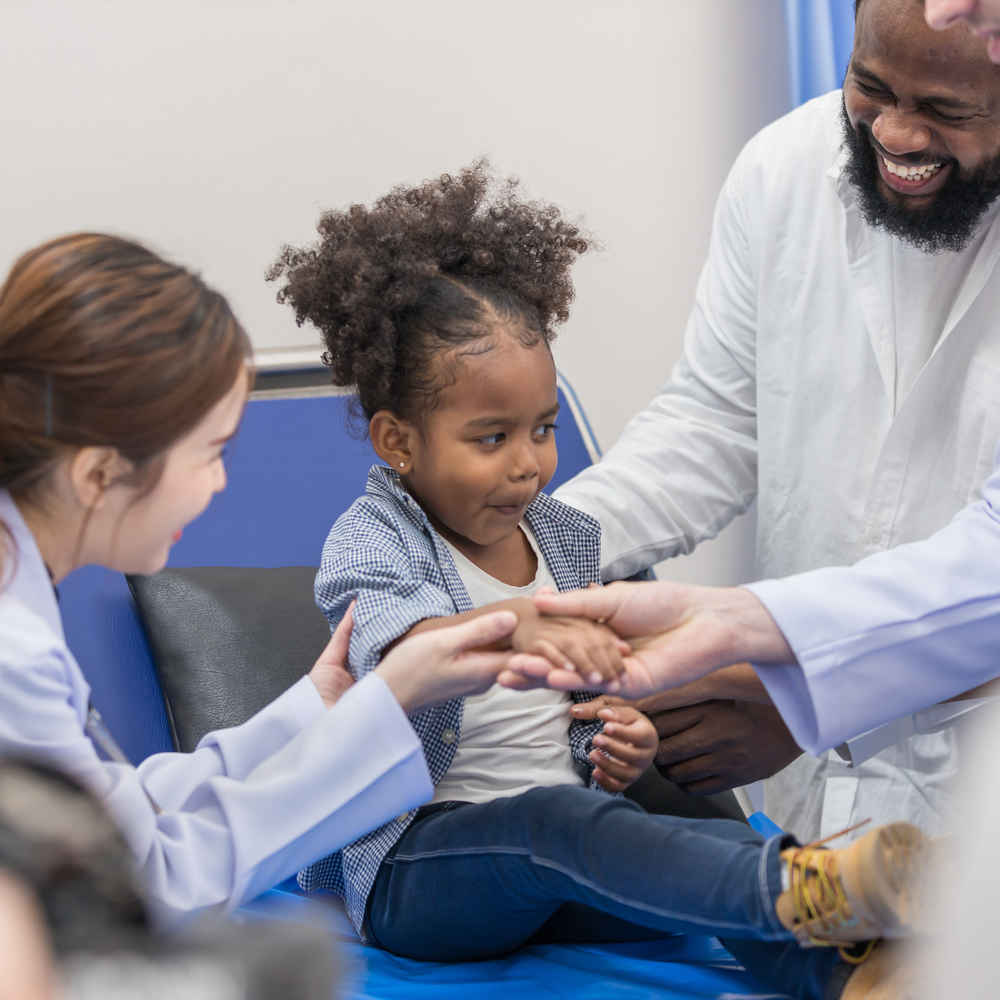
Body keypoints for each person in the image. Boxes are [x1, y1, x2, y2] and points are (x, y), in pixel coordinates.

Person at [266, 162, 929, 1000]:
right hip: (424, 871)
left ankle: (846, 973)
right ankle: (810, 886)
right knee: (559, 823)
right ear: (399, 442)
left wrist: (627, 740)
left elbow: (620, 690)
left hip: (559, 858)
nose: (530, 464)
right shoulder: (375, 539)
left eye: (541, 429)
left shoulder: (569, 540)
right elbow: (411, 654)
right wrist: (524, 631)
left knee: (684, 839)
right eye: (491, 437)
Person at [551, 0, 1000, 843]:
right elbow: (713, 421)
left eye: (946, 111)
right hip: (803, 813)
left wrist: (804, 685)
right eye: (870, 87)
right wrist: (528, 552)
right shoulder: (785, 168)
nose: (898, 135)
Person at [0, 231, 540, 920]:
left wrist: (321, 705)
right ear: (99, 473)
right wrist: (390, 701)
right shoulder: (12, 657)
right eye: (211, 452)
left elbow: (118, 811)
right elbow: (145, 884)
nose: (222, 482)